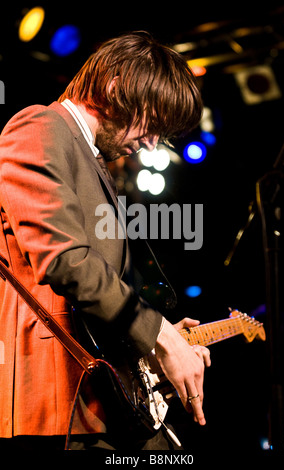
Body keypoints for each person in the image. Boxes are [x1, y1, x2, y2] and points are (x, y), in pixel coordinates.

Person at [0, 31, 211, 451]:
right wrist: (158, 335)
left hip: (96, 397)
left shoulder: (90, 157)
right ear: (115, 88)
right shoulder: (38, 126)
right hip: (63, 398)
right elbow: (63, 259)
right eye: (152, 122)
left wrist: (154, 332)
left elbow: (99, 286)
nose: (152, 141)